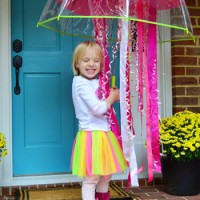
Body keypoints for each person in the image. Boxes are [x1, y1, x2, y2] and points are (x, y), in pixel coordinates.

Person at [71, 41, 128, 200]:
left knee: (105, 175)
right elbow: (98, 108)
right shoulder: (80, 83)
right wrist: (110, 98)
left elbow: (105, 103)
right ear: (77, 63)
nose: (91, 64)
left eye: (96, 61)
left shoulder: (96, 81)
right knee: (91, 178)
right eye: (86, 60)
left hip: (103, 135)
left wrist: (112, 95)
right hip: (91, 136)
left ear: (101, 64)